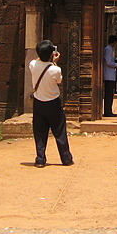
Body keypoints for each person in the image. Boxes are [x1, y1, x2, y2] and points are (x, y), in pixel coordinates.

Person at [29, 40, 73, 168]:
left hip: (39, 103)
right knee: (59, 131)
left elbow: (37, 60)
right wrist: (53, 61)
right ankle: (66, 159)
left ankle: (40, 159)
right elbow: (58, 81)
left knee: (40, 132)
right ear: (52, 54)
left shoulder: (32, 65)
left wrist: (45, 55)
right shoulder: (56, 69)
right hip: (53, 104)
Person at [102, 35, 117, 117]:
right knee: (109, 94)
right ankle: (107, 112)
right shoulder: (108, 49)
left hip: (110, 74)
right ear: (114, 42)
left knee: (110, 94)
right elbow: (109, 62)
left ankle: (108, 111)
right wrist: (116, 65)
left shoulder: (110, 49)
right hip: (109, 75)